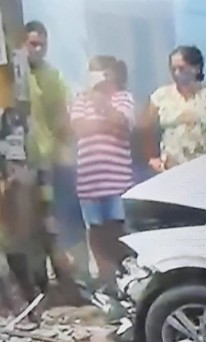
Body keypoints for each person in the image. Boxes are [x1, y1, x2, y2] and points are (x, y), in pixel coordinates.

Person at [3, 21, 76, 324]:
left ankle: (59, 289)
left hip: (42, 160)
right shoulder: (11, 74)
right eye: (31, 43)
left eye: (40, 44)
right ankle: (30, 296)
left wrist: (64, 152)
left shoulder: (52, 75)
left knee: (48, 226)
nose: (36, 49)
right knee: (18, 231)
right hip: (15, 160)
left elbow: (61, 118)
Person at [70, 56, 135, 293]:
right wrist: (105, 121)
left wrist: (104, 106)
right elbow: (79, 128)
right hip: (89, 182)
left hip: (117, 182)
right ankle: (107, 284)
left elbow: (123, 125)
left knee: (118, 231)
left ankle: (126, 281)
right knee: (96, 234)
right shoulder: (79, 100)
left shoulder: (123, 98)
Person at [143, 45, 206, 172]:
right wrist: (152, 158)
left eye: (181, 68)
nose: (176, 73)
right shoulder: (160, 97)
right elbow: (146, 129)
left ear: (196, 68)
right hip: (171, 171)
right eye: (173, 69)